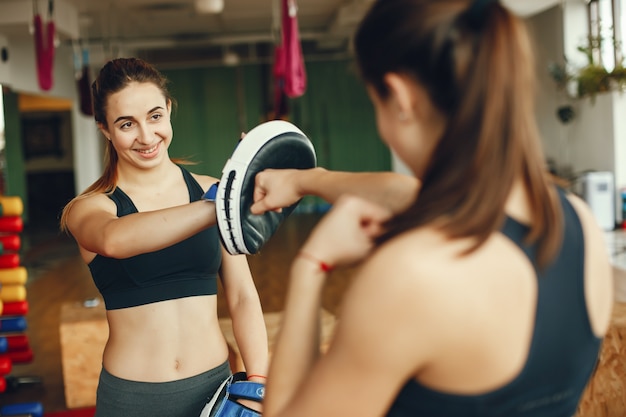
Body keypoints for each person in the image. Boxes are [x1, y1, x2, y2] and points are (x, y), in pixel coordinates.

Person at [251, 1, 614, 416]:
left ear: (401, 97)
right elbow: (405, 193)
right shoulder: (576, 222)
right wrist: (301, 180)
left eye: (376, 104)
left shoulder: (413, 275)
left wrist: (311, 267)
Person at [59, 57, 268, 417]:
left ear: (168, 110)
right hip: (134, 401)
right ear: (105, 129)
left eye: (155, 116)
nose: (146, 135)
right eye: (127, 124)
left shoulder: (210, 191)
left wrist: (258, 383)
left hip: (215, 389)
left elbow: (242, 295)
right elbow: (114, 240)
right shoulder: (91, 209)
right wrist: (224, 205)